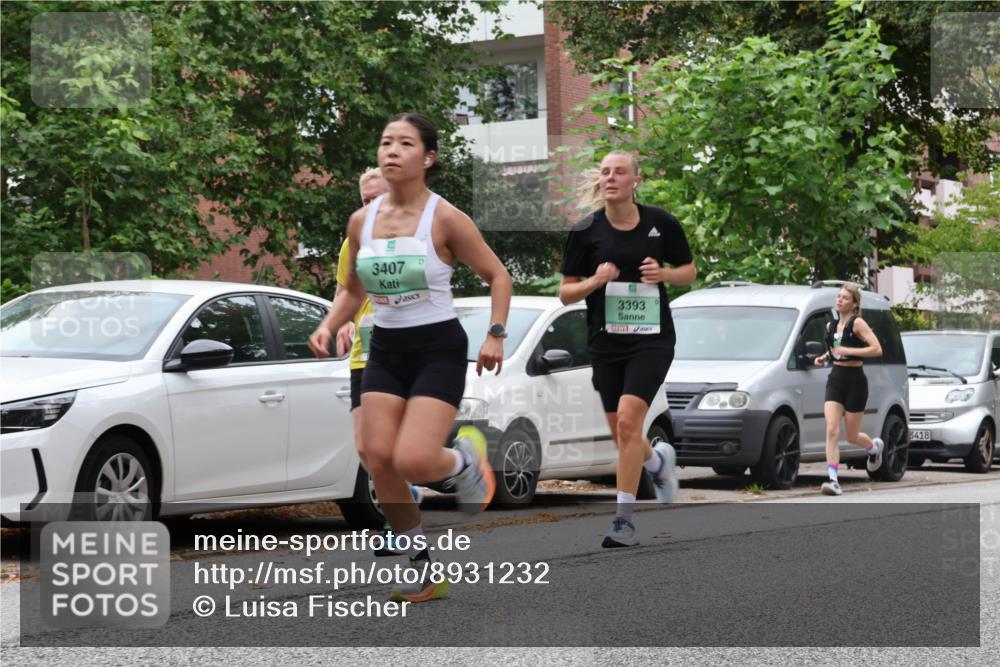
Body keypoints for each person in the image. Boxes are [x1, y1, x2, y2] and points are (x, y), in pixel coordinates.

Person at [309, 112, 512, 602]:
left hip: (437, 348)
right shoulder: (362, 220)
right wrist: (330, 323)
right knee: (379, 461)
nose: (392, 151)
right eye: (386, 143)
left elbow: (498, 275)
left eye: (405, 143)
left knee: (416, 460)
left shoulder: (444, 217)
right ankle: (423, 569)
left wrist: (496, 334)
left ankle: (465, 460)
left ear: (428, 157)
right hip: (387, 349)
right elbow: (352, 289)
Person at [558, 151, 696, 548]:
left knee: (628, 424)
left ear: (637, 180)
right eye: (605, 172)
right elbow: (566, 292)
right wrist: (594, 281)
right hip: (605, 342)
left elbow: (688, 271)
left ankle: (623, 520)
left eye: (620, 171)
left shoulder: (661, 224)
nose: (611, 177)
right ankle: (657, 461)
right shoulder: (586, 230)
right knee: (624, 435)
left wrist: (664, 274)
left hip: (652, 339)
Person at [334, 168, 422, 554]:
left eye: (377, 198)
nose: (370, 206)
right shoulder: (353, 242)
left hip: (405, 350)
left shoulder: (416, 237)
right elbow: (343, 291)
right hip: (363, 354)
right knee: (366, 449)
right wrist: (340, 324)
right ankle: (407, 491)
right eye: (365, 200)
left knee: (392, 447)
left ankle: (396, 518)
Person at [814, 283, 884, 496]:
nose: (839, 300)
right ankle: (834, 481)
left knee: (852, 435)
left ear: (854, 304)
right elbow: (835, 350)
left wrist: (848, 350)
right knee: (832, 430)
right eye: (838, 296)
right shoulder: (831, 326)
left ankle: (873, 448)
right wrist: (824, 357)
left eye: (845, 298)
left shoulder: (858, 323)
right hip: (836, 378)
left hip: (855, 381)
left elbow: (877, 349)